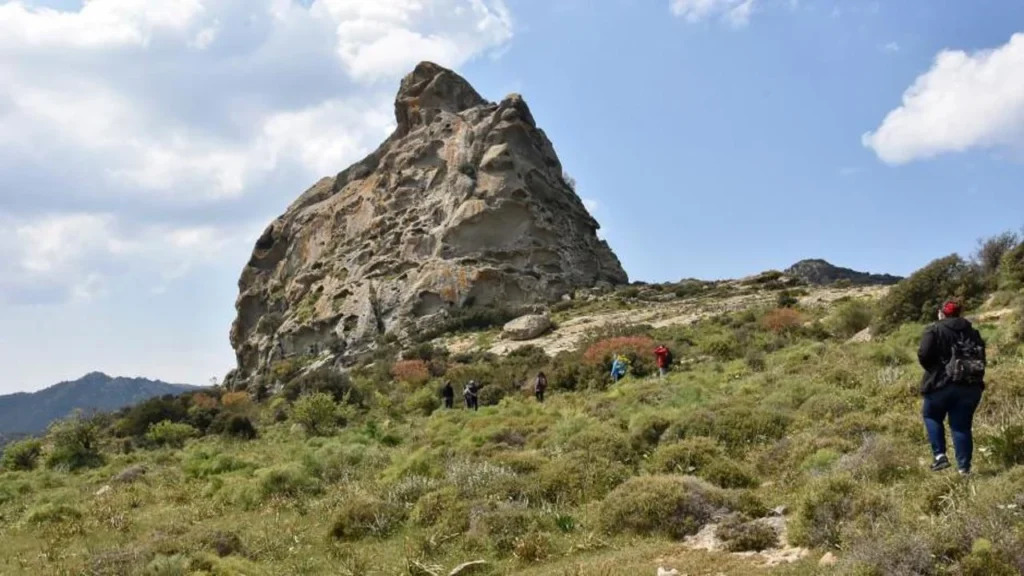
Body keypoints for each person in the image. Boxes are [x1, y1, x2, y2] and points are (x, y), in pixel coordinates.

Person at [918, 300, 986, 475]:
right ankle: (964, 469)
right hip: (970, 385)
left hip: (941, 384)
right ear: (960, 313)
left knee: (931, 415)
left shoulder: (934, 329)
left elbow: (924, 354)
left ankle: (940, 456)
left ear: (941, 313)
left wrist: (934, 370)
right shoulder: (972, 331)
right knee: (961, 427)